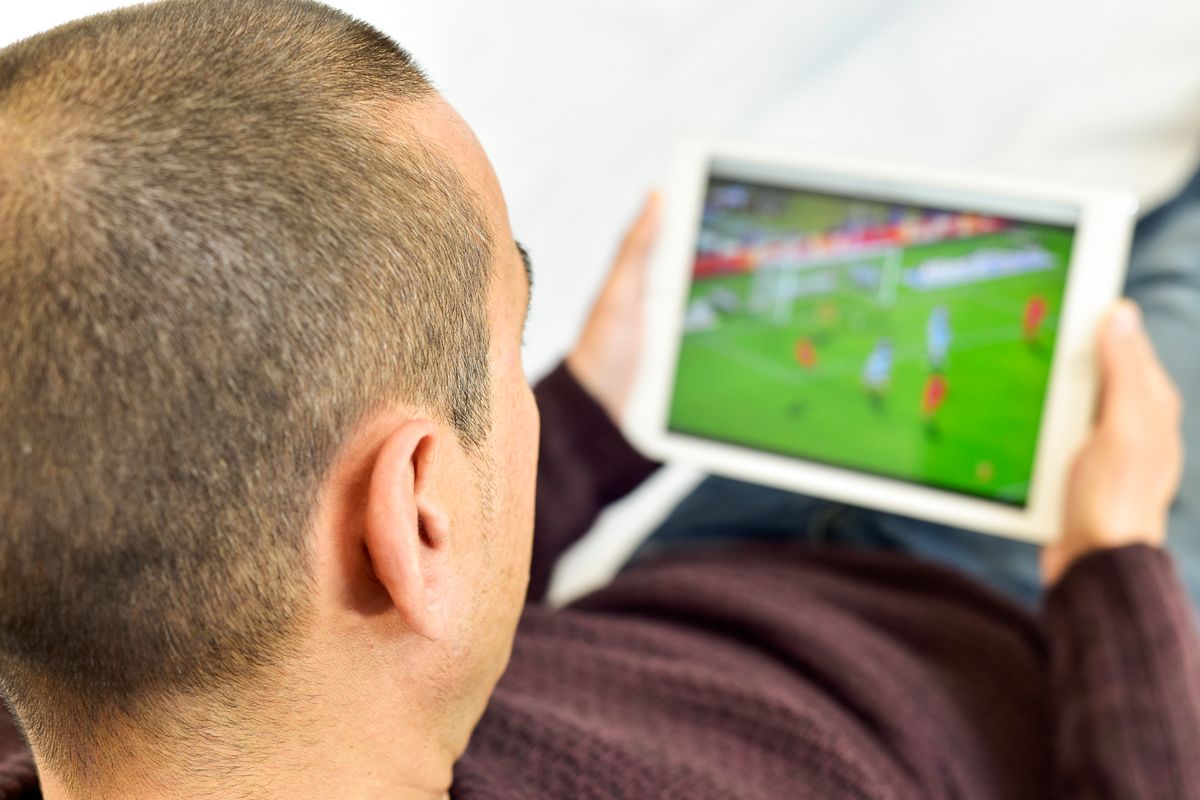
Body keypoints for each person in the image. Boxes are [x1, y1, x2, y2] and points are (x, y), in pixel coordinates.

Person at [0, 3, 1197, 799]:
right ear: (417, 514)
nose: (527, 379)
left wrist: (587, 410)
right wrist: (1113, 565)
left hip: (715, 564)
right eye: (512, 322)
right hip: (1058, 638)